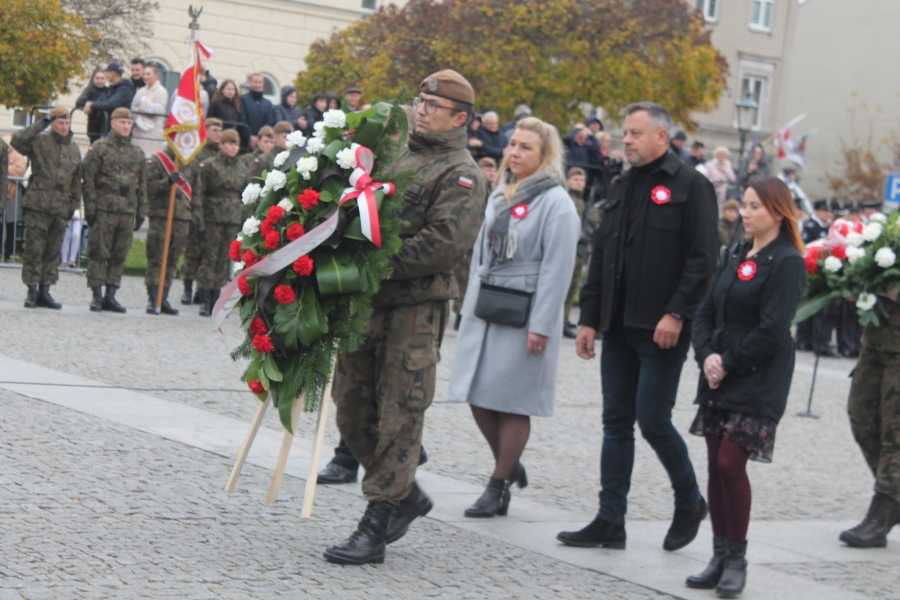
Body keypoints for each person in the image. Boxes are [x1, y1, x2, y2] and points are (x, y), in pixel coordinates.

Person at [324, 69, 487, 566]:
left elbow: (442, 245)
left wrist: (369, 261)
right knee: (351, 407)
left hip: (413, 309)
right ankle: (407, 494)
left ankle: (376, 523)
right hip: (368, 302)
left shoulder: (462, 174)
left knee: (400, 411)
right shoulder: (397, 156)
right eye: (420, 101)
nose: (422, 110)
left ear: (459, 118)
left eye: (433, 106)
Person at [558, 101, 718, 552]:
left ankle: (689, 500)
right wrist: (589, 319)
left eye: (634, 133)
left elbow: (703, 260)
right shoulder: (621, 184)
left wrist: (677, 313)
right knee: (615, 422)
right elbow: (603, 257)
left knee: (653, 421)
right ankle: (610, 520)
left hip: (662, 328)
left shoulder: (692, 186)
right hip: (618, 325)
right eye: (624, 132)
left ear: (661, 137)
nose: (624, 140)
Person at [448, 116, 579, 518]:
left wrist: (542, 325)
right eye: (513, 144)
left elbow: (558, 269)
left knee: (513, 402)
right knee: (477, 393)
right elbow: (480, 256)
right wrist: (468, 308)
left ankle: (498, 484)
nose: (515, 153)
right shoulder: (500, 193)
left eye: (526, 147)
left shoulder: (556, 202)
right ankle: (509, 461)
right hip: (487, 306)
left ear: (545, 155)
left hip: (525, 311)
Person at [686, 176, 806, 596]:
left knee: (730, 464)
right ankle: (718, 556)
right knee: (714, 466)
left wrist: (728, 362)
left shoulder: (787, 261)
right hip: (718, 371)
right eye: (744, 205)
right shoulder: (735, 253)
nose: (745, 213)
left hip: (757, 376)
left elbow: (773, 328)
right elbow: (705, 311)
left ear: (778, 212)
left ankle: (737, 558)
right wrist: (706, 355)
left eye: (755, 206)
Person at [839, 292, 900, 548]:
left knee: (895, 433)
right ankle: (895, 495)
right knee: (860, 415)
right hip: (875, 340)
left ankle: (882, 511)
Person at [11, 108, 82, 309]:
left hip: (61, 206)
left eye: (67, 123)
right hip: (39, 204)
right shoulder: (40, 141)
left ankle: (45, 290)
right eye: (60, 123)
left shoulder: (73, 148)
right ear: (52, 123)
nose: (64, 127)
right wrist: (39, 125)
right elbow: (17, 141)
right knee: (34, 249)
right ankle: (32, 290)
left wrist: (73, 205)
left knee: (52, 251)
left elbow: (76, 180)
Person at [82, 108, 147, 313]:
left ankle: (111, 294)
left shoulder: (137, 152)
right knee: (98, 252)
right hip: (104, 207)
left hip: (127, 209)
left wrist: (141, 211)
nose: (126, 126)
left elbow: (142, 184)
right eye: (122, 122)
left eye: (129, 123)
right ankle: (96, 295)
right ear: (113, 123)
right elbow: (89, 180)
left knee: (119, 254)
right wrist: (90, 208)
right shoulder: (100, 148)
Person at [194, 129, 248, 317]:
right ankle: (204, 298)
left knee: (224, 260)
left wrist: (244, 222)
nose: (234, 147)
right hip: (212, 217)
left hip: (232, 218)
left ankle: (216, 298)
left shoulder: (242, 167)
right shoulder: (210, 165)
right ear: (221, 145)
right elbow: (199, 193)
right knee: (209, 258)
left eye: (236, 144)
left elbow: (244, 195)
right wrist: (199, 219)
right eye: (230, 144)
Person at [143, 145, 200, 316]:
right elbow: (149, 187)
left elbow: (196, 192)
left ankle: (164, 297)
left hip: (182, 217)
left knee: (173, 259)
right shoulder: (158, 160)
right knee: (157, 257)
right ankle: (153, 298)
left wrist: (195, 216)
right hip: (162, 215)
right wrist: (166, 182)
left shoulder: (190, 162)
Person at [180, 118, 223, 305]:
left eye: (220, 130)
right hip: (198, 205)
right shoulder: (197, 153)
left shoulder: (220, 153)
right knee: (193, 251)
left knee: (209, 253)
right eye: (214, 130)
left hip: (215, 211)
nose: (218, 134)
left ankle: (201, 290)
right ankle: (187, 288)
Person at [563, 167, 589, 339]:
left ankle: (564, 318)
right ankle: (561, 320)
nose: (580, 183)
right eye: (576, 180)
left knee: (573, 285)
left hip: (578, 248)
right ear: (568, 181)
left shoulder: (580, 200)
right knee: (566, 286)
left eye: (582, 181)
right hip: (569, 247)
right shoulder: (567, 199)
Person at [130, 64, 168, 157]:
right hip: (138, 130)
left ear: (156, 75)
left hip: (152, 132)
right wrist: (144, 108)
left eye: (148, 74)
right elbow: (133, 107)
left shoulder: (161, 91)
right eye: (144, 74)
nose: (145, 76)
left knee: (149, 157)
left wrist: (144, 101)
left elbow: (157, 111)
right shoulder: (141, 90)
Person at [84, 62, 135, 130]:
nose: (107, 75)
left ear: (113, 73)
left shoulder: (125, 89)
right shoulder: (111, 88)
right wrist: (90, 104)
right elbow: (100, 100)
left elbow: (111, 104)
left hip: (119, 128)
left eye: (107, 73)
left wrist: (92, 105)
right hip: (107, 126)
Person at [239, 74, 274, 149]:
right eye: (255, 82)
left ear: (263, 84)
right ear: (250, 82)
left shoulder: (267, 103)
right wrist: (249, 136)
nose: (257, 85)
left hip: (262, 141)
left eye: (260, 82)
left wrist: (260, 137)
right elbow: (242, 119)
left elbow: (269, 121)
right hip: (245, 141)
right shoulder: (243, 99)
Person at [75, 69, 108, 142]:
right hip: (93, 124)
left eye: (102, 78)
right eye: (97, 78)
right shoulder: (89, 89)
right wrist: (89, 105)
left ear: (106, 80)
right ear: (93, 79)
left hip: (105, 124)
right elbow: (79, 102)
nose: (100, 81)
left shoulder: (108, 90)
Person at [705, 146, 737, 217]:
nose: (721, 158)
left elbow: (733, 178)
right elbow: (706, 179)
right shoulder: (709, 165)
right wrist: (716, 181)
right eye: (720, 155)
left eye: (723, 156)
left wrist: (725, 170)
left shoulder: (727, 164)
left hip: (725, 192)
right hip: (713, 190)